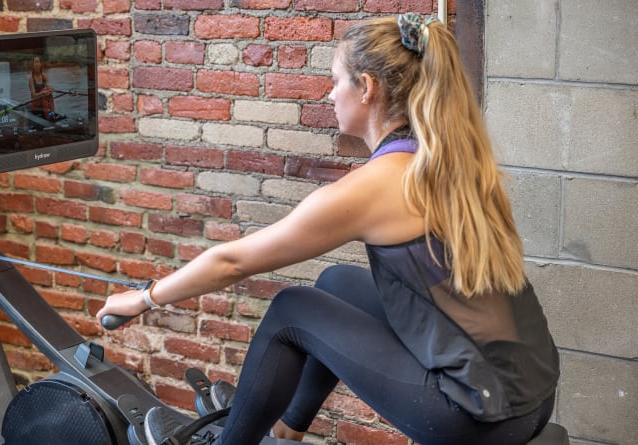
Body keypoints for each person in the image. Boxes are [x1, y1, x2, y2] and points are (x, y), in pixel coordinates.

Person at [96, 13, 560, 445]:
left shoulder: (378, 186)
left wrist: (144, 297)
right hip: (529, 393)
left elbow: (232, 262)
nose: (329, 94)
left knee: (293, 309)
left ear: (368, 89)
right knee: (335, 284)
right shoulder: (440, 154)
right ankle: (286, 432)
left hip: (477, 417)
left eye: (336, 82)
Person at [28, 56, 59, 120]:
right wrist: (43, 92)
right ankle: (48, 116)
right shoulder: (31, 78)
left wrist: (51, 90)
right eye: (35, 62)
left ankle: (51, 114)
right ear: (33, 65)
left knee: (49, 94)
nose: (37, 64)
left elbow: (48, 87)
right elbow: (33, 95)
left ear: (40, 64)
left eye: (38, 62)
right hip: (36, 102)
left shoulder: (44, 75)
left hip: (44, 101)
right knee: (44, 93)